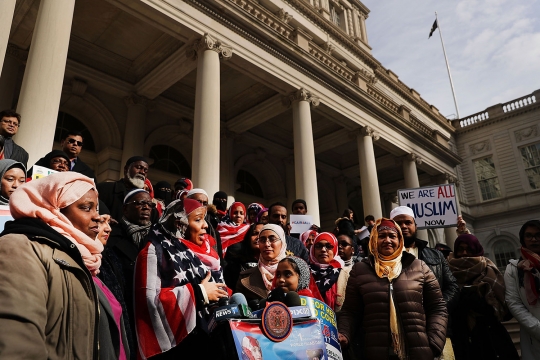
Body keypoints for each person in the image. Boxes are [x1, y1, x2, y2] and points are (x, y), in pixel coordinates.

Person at [0, 172, 125, 358]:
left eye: (96, 209)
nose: (97, 217)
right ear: (54, 210)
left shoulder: (87, 261)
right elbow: (18, 345)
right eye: (85, 208)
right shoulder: (19, 247)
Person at [338, 218, 448, 360]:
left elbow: (437, 307)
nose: (387, 240)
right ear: (373, 240)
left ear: (400, 239)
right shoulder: (360, 270)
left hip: (419, 351)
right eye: (381, 236)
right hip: (375, 352)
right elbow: (350, 312)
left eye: (392, 236)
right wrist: (344, 334)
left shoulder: (419, 267)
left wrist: (434, 342)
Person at [134, 198, 229, 359]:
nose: (205, 225)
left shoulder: (206, 255)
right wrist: (200, 293)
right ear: (179, 224)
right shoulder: (152, 252)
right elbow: (150, 303)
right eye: (198, 220)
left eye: (204, 219)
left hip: (207, 345)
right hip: (175, 351)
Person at [449, 234, 519, 360]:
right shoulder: (448, 270)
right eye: (460, 249)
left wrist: (484, 302)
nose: (464, 253)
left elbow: (504, 306)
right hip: (463, 337)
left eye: (469, 249)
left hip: (492, 336)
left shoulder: (488, 269)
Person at [106, 189, 153, 328]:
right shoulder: (110, 236)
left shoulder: (157, 237)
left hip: (149, 312)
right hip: (123, 309)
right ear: (125, 209)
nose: (146, 207)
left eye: (150, 204)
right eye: (140, 203)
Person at [505, 220, 540, 360]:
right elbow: (514, 303)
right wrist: (538, 329)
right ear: (522, 239)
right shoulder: (513, 268)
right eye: (529, 235)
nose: (534, 239)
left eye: (538, 235)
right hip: (534, 336)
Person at [236, 223, 287, 301]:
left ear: (282, 242)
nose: (267, 244)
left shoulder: (295, 273)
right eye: (262, 240)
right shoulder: (245, 278)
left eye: (272, 239)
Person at [97, 156, 151, 222]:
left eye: (146, 170)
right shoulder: (104, 189)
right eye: (139, 167)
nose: (142, 172)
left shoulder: (148, 201)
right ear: (126, 169)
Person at [308, 232, 346, 311]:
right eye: (319, 246)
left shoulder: (345, 273)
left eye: (329, 246)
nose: (323, 250)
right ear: (313, 250)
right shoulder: (304, 272)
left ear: (335, 249)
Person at [224, 222, 263, 289]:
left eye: (262, 235)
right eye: (254, 234)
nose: (258, 237)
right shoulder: (236, 260)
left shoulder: (273, 262)